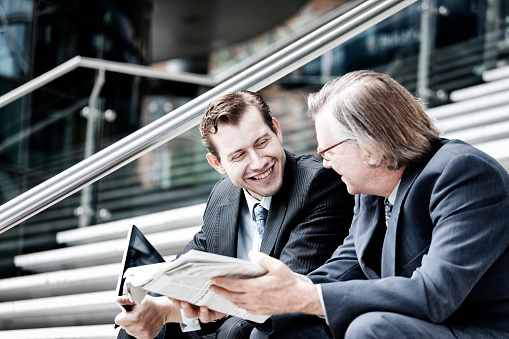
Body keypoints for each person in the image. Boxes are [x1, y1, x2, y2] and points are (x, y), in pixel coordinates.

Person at [197, 71, 509, 338]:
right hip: (418, 325)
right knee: (289, 325)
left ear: (370, 145)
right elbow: (340, 270)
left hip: (478, 328)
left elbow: (434, 294)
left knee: (370, 328)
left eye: (328, 152)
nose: (325, 164)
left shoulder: (462, 173)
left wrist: (307, 297)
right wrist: (255, 298)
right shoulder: (368, 190)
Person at [114, 90, 355, 339]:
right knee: (135, 327)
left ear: (276, 130)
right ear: (218, 164)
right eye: (239, 155)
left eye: (261, 143)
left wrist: (167, 311)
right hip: (226, 326)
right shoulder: (224, 195)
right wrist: (156, 304)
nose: (258, 162)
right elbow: (189, 266)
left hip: (284, 326)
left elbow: (283, 296)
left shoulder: (318, 184)